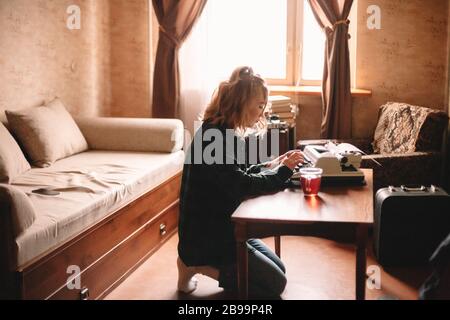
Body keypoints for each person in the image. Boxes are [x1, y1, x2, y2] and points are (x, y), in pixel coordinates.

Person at [177, 66, 304, 298]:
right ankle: (195, 265)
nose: (262, 112)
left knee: (279, 270)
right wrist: (283, 173)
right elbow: (242, 185)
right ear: (241, 102)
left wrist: (272, 165)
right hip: (207, 236)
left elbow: (237, 175)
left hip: (223, 225)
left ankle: (199, 262)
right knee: (276, 283)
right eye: (259, 105)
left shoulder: (222, 131)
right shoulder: (214, 137)